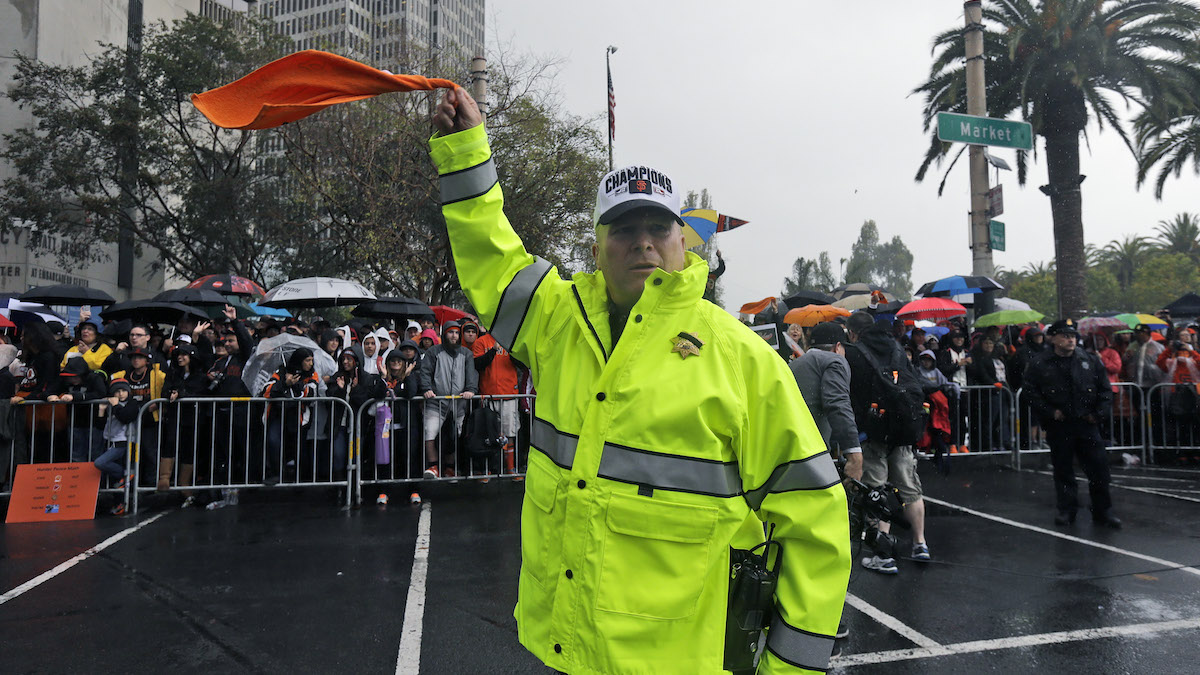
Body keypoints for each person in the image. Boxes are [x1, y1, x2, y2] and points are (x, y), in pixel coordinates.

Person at [429, 86, 848, 674]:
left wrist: (790, 668)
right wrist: (467, 150)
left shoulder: (740, 358)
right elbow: (489, 254)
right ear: (597, 246)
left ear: (684, 240)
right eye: (625, 229)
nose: (643, 242)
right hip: (569, 650)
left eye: (659, 227)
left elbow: (816, 518)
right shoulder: (556, 321)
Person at [844, 311, 930, 574]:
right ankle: (920, 544)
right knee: (909, 488)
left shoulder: (855, 352)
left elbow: (851, 389)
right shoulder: (896, 347)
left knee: (875, 490)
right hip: (903, 428)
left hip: (874, 430)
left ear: (852, 332)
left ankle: (884, 554)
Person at [1023, 319, 1120, 528]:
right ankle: (1067, 510)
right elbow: (1030, 392)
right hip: (1061, 424)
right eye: (1065, 336)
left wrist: (1099, 413)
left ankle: (1103, 511)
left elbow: (1105, 389)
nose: (1070, 340)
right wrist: (1050, 412)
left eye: (1073, 336)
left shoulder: (1090, 360)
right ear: (1054, 338)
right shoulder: (1041, 363)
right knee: (1064, 470)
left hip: (1087, 422)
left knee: (1099, 469)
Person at [417, 320, 477, 478]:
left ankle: (450, 467)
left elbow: (472, 374)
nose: (454, 335)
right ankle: (433, 466)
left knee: (455, 437)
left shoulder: (466, 353)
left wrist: (471, 389)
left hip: (459, 404)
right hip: (436, 403)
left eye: (457, 332)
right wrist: (426, 388)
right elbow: (425, 372)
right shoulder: (433, 352)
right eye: (451, 332)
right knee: (429, 432)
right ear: (444, 333)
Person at [464, 318, 522, 474]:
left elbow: (521, 363)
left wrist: (512, 350)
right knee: (488, 434)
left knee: (509, 433)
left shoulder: (511, 341)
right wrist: (493, 350)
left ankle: (510, 467)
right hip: (488, 395)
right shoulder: (481, 342)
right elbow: (478, 364)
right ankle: (488, 469)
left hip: (509, 393)